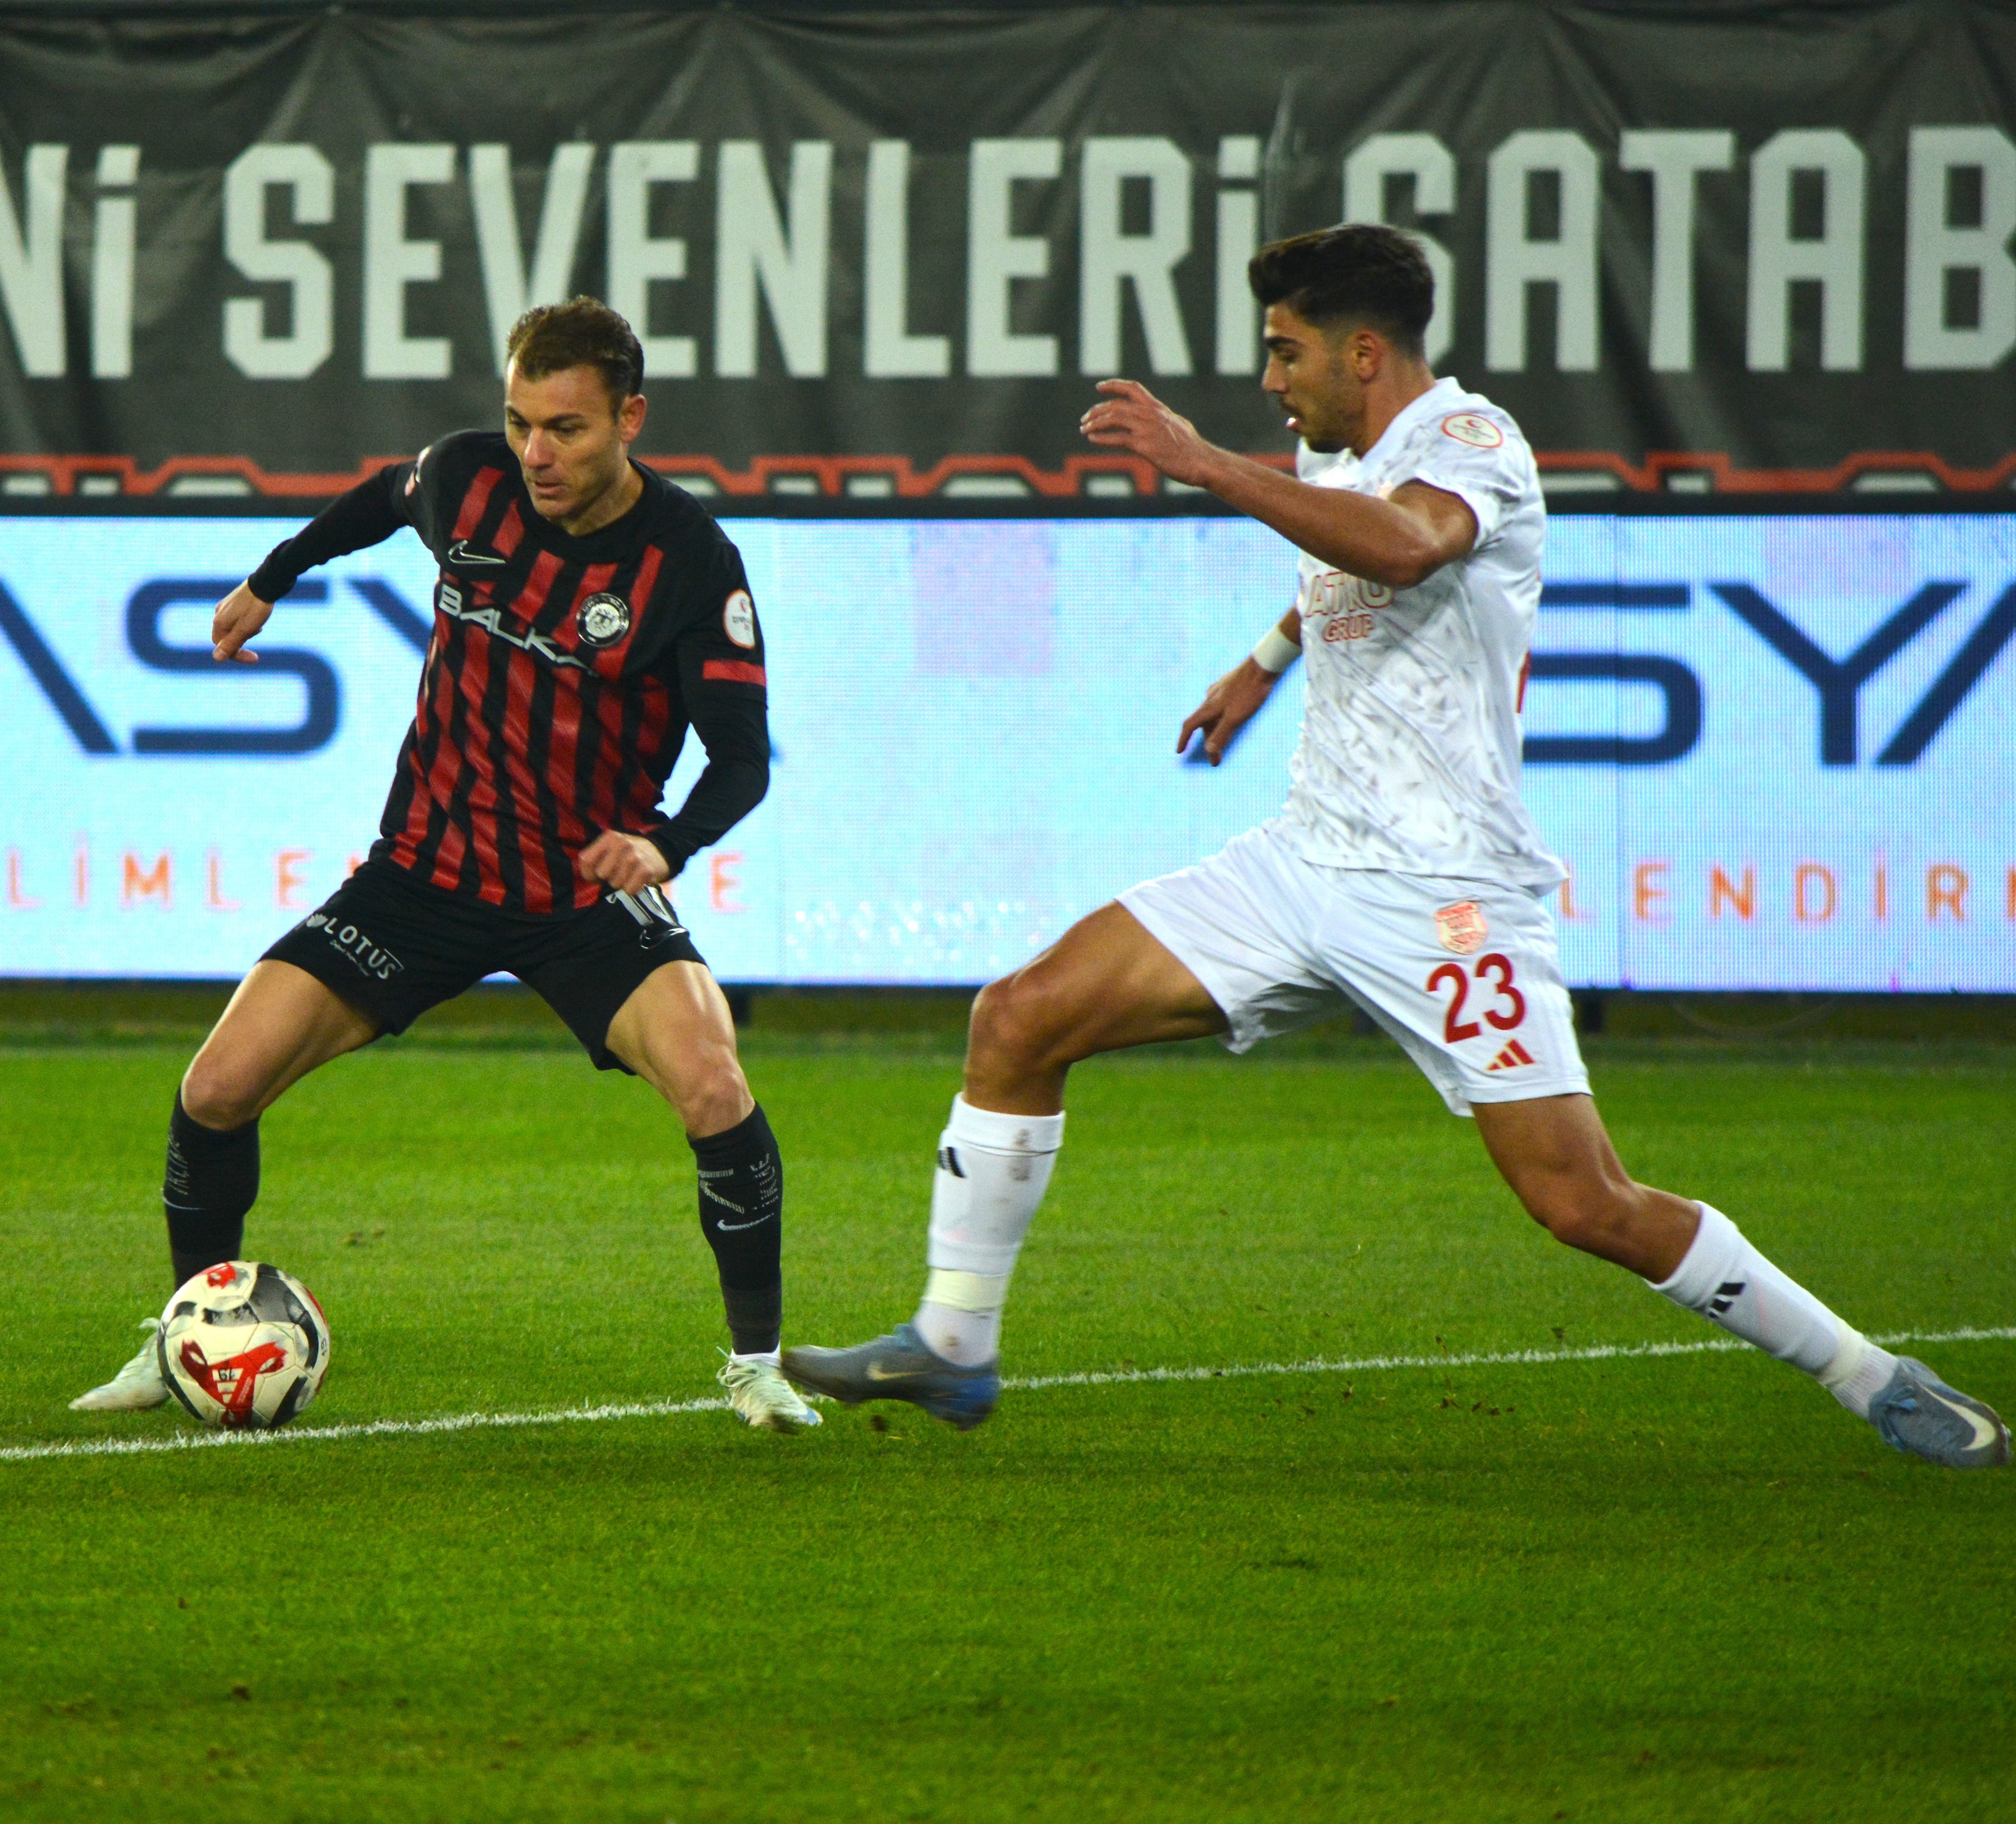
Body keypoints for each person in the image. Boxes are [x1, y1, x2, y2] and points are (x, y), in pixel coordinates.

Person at [782, 224, 2005, 1469]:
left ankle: (1872, 1376)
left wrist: (1204, 464)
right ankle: (952, 1342)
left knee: (1584, 1201)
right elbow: (1351, 547)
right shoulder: (1348, 456)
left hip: (1443, 892)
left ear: (1364, 349)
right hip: (1302, 860)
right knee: (1019, 1015)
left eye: (1286, 349)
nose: (1272, 378)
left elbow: (1411, 543)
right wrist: (1263, 664)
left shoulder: (1472, 443)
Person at [68, 297, 816, 1433]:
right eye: (520, 421)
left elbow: (746, 760)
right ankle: (186, 1330)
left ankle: (758, 1365)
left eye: (565, 428)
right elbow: (381, 498)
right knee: (216, 1087)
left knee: (714, 1084)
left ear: (631, 419)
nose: (536, 453)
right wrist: (272, 576)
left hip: (580, 890)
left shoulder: (690, 563)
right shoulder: (468, 482)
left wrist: (664, 842)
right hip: (425, 873)